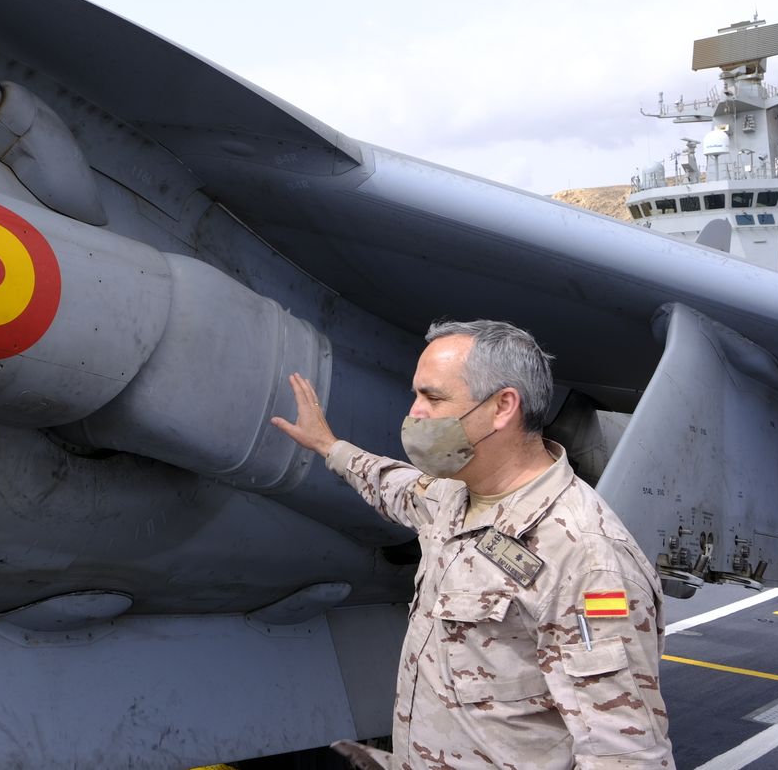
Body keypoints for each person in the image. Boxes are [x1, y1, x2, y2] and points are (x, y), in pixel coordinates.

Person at [272, 319, 673, 770]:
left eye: (433, 397)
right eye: (416, 395)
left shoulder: (586, 559)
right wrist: (328, 446)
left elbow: (625, 754)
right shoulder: (455, 497)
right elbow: (392, 484)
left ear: (503, 407)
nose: (415, 412)